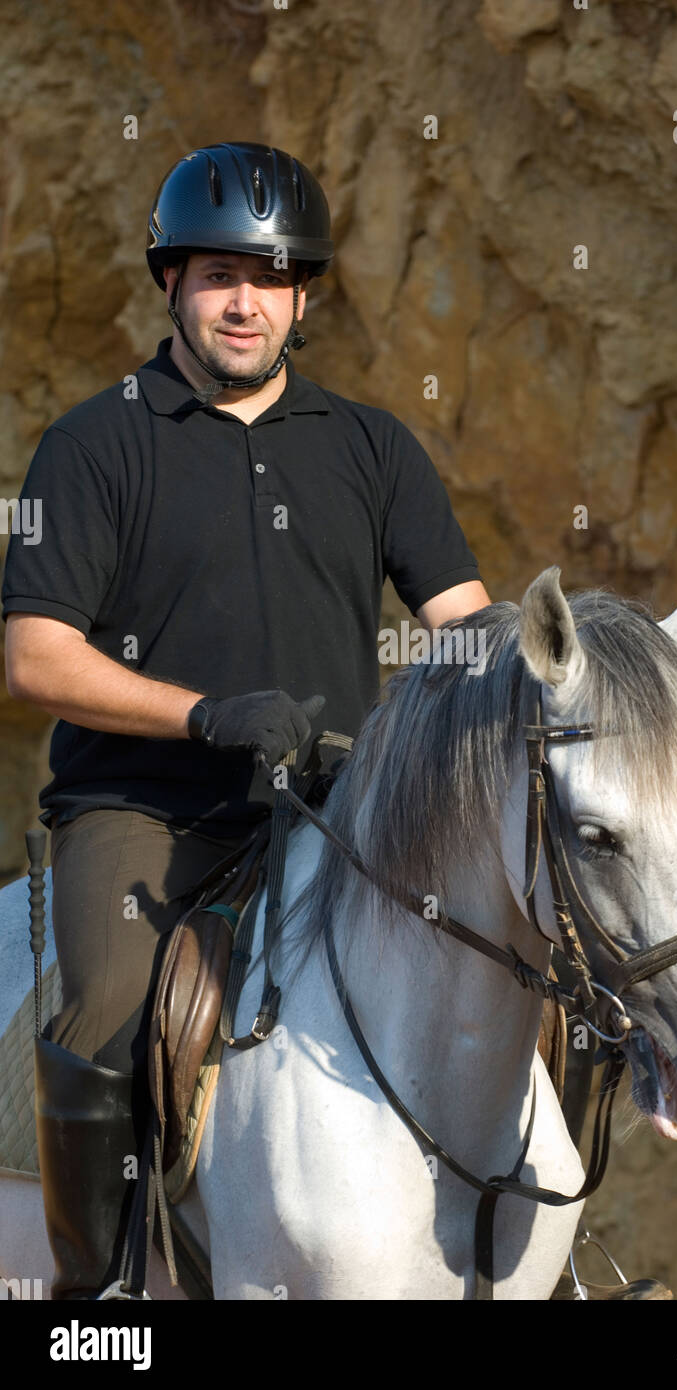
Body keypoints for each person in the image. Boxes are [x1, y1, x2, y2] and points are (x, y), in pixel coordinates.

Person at [1, 141, 490, 1298]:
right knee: (111, 1009)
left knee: (514, 961)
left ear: (303, 296)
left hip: (337, 808)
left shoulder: (371, 445)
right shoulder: (92, 442)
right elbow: (34, 656)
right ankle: (97, 1296)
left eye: (270, 279)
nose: (243, 301)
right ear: (170, 279)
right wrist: (205, 713)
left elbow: (463, 622)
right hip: (144, 811)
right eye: (220, 273)